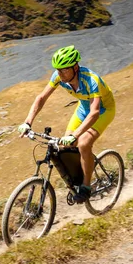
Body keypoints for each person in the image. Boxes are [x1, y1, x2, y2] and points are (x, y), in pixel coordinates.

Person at [18, 45, 116, 203]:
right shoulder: (58, 77)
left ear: (75, 67)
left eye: (63, 70)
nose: (59, 73)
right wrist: (28, 122)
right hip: (83, 108)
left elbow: (95, 112)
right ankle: (80, 174)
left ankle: (86, 186)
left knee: (83, 143)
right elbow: (41, 98)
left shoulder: (91, 80)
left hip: (103, 110)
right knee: (64, 146)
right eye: (57, 69)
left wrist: (75, 135)